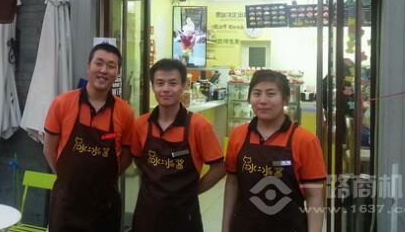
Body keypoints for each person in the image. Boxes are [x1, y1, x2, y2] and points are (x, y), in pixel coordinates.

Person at [43, 43, 135, 232]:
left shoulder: (125, 112)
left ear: (117, 73)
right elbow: (48, 149)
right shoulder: (62, 103)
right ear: (88, 66)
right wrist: (67, 178)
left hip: (105, 207)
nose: (104, 70)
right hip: (67, 205)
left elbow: (126, 156)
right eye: (99, 63)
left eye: (111, 66)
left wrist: (105, 179)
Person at [222, 69, 326, 232]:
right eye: (257, 93)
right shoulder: (238, 135)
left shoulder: (305, 140)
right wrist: (225, 227)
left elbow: (315, 196)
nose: (263, 100)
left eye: (271, 94)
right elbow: (232, 183)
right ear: (249, 98)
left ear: (286, 99)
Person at [132, 59, 226, 232]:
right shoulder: (140, 125)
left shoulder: (199, 126)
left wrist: (193, 191)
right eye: (160, 83)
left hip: (184, 216)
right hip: (147, 213)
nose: (166, 89)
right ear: (152, 87)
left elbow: (219, 168)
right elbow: (139, 161)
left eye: (173, 83)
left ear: (184, 86)